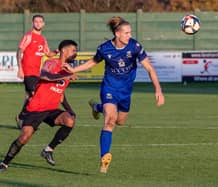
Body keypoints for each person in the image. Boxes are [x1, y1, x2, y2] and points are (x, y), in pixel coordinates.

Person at [63, 16, 165, 173]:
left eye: (130, 32)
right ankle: (104, 157)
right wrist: (73, 70)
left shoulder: (135, 46)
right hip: (109, 89)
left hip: (126, 92)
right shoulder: (104, 48)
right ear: (117, 34)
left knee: (120, 121)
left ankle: (97, 107)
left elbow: (150, 68)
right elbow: (92, 62)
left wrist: (158, 90)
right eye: (126, 33)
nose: (129, 35)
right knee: (109, 121)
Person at [0, 40, 78, 172]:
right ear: (63, 50)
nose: (75, 53)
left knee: (69, 120)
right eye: (73, 50)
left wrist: (70, 110)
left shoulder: (69, 69)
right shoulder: (52, 62)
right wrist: (66, 75)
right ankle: (4, 163)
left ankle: (48, 150)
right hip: (36, 108)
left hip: (51, 109)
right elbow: (45, 76)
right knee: (24, 137)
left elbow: (60, 93)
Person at [16, 14, 59, 128]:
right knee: (34, 96)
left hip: (37, 73)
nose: (38, 23)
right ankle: (26, 120)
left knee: (31, 97)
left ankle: (22, 117)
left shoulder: (43, 39)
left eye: (40, 21)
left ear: (43, 24)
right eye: (36, 21)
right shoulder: (29, 36)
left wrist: (58, 50)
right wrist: (20, 68)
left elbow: (48, 54)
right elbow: (19, 51)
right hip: (28, 71)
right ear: (32, 23)